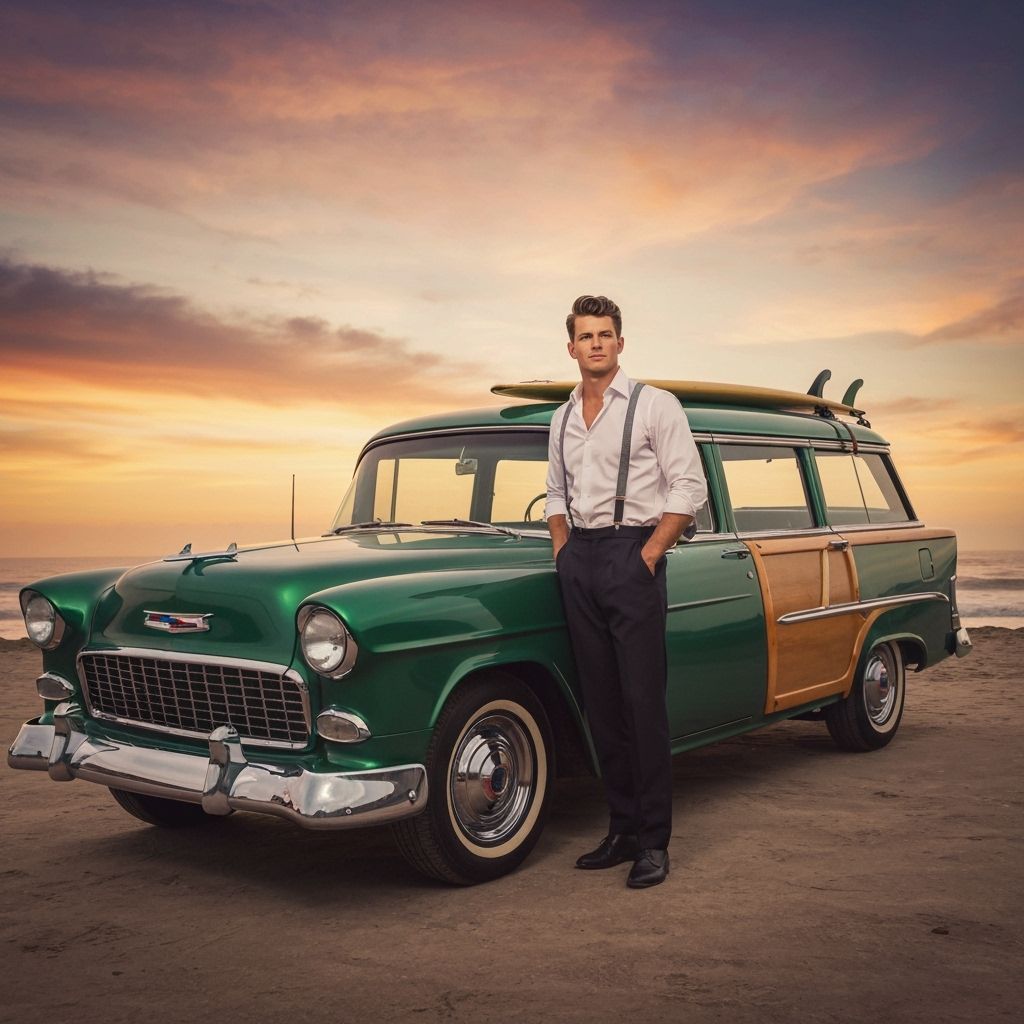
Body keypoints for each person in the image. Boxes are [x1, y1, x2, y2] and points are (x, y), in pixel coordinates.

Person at [545, 294, 707, 889]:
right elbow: (556, 492)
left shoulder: (654, 405)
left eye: (605, 334)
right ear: (571, 347)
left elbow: (689, 488)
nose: (596, 343)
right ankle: (620, 830)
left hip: (632, 552)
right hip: (581, 558)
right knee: (602, 705)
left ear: (620, 342)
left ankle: (654, 844)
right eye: (586, 335)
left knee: (643, 705)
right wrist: (563, 553)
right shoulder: (562, 418)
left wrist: (649, 554)